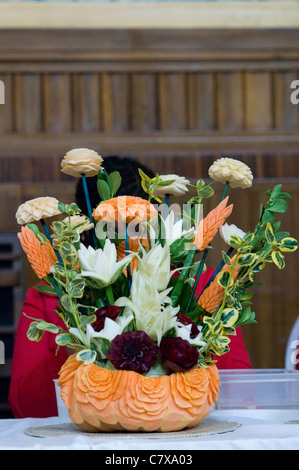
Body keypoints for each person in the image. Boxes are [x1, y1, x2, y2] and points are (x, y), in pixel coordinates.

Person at [9, 157, 252, 419]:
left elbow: (242, 396)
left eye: (141, 226)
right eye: (117, 228)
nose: (131, 240)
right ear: (86, 227)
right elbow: (26, 406)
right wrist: (76, 348)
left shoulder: (202, 291)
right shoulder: (55, 297)